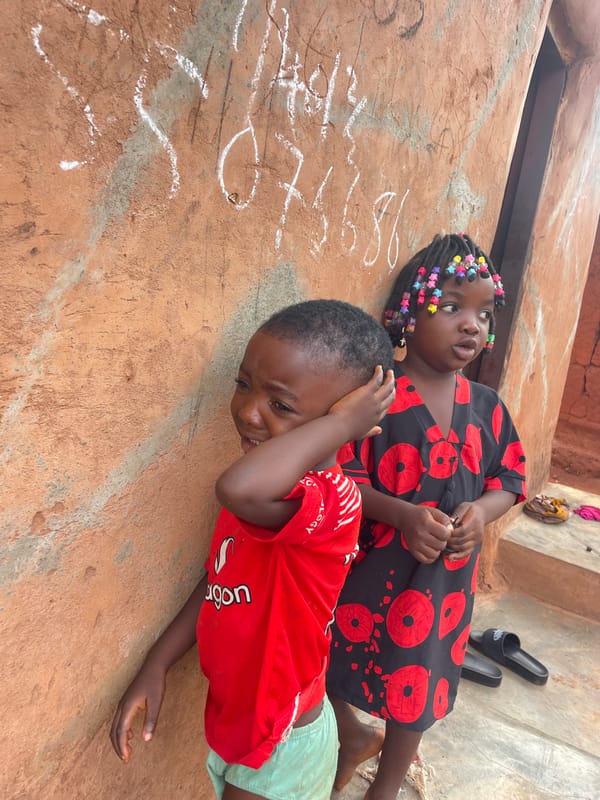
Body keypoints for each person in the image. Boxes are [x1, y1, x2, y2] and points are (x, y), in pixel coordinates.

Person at [110, 299, 396, 800]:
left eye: (280, 405)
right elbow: (220, 579)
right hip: (241, 720)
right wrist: (157, 661)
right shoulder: (270, 491)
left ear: (350, 425)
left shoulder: (333, 501)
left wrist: (341, 427)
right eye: (244, 384)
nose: (247, 411)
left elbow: (237, 490)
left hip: (281, 739)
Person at [327, 233, 527, 800]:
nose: (472, 325)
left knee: (419, 684)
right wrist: (401, 515)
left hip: (442, 591)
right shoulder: (377, 396)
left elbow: (509, 481)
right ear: (407, 315)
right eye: (452, 307)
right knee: (327, 654)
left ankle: (385, 788)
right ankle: (349, 734)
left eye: (484, 313)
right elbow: (341, 474)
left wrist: (481, 514)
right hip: (367, 572)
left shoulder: (488, 408)